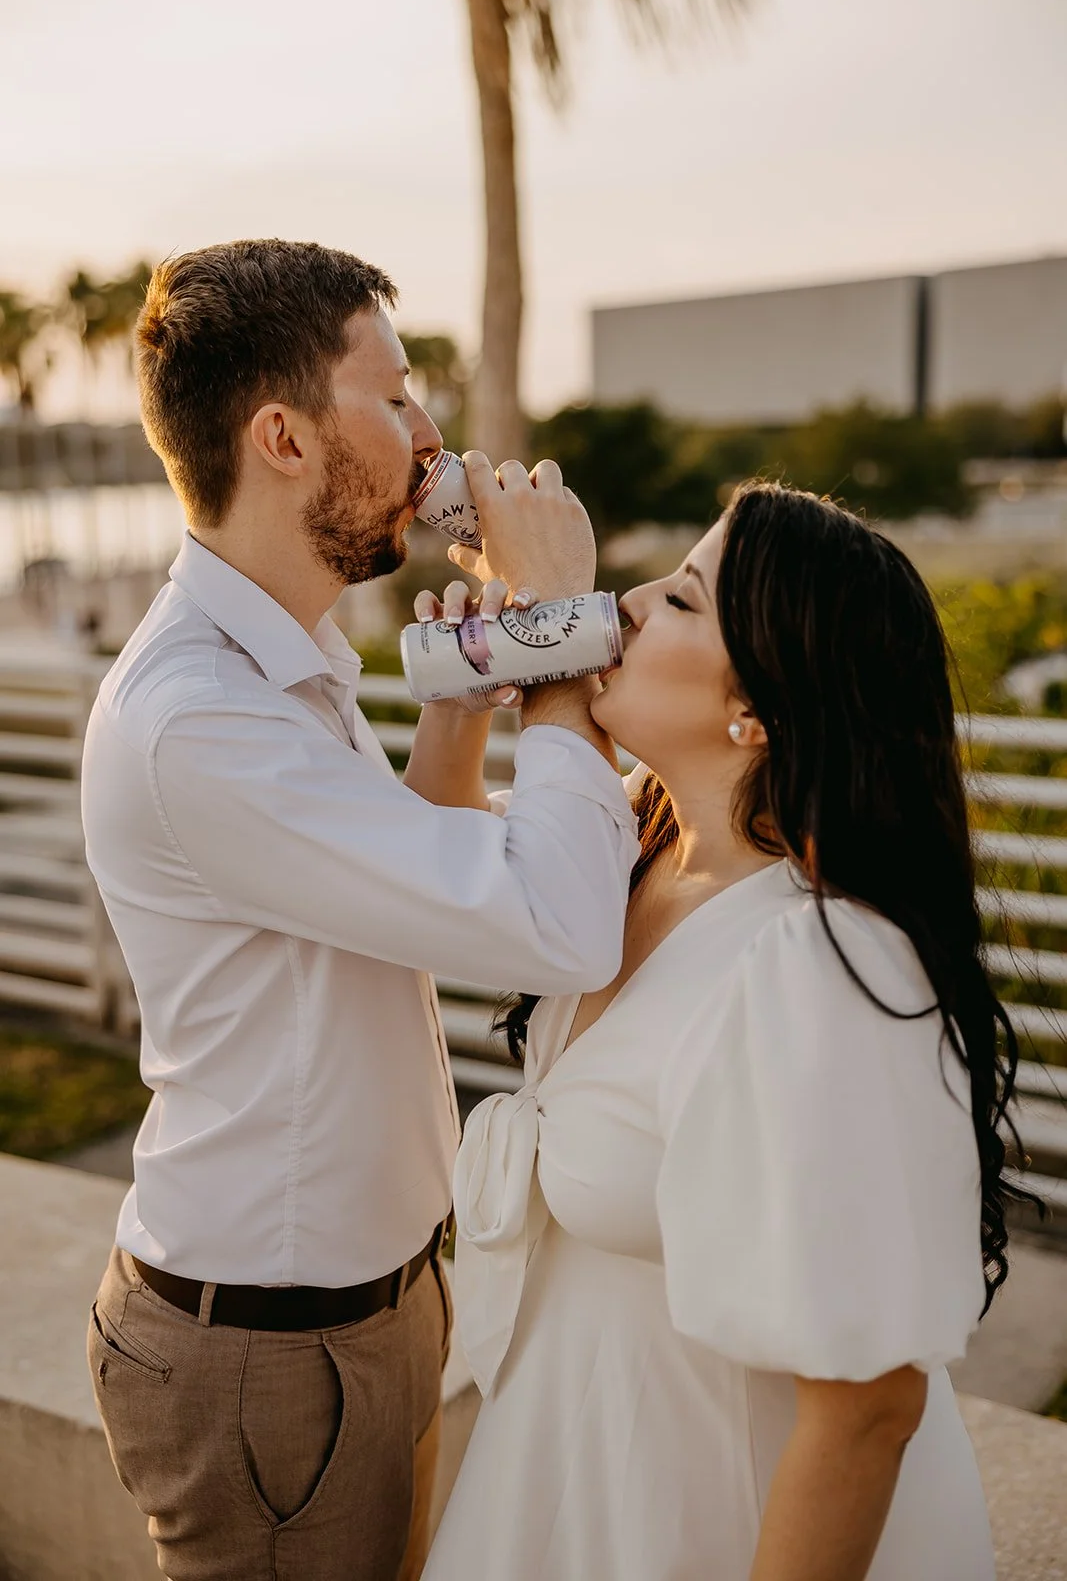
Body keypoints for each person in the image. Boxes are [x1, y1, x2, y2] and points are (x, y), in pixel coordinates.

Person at [80, 238, 638, 1581]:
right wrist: (558, 635)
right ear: (280, 435)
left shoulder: (287, 657)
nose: (431, 436)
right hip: (267, 1350)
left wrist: (454, 718)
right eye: (393, 397)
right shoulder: (197, 717)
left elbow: (398, 887)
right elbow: (556, 922)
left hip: (365, 1308)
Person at [422, 481, 1021, 1580]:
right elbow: (443, 875)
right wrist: (463, 688)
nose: (633, 603)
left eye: (684, 599)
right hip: (569, 1481)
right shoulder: (630, 853)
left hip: (711, 1518)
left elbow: (869, 1408)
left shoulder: (821, 962)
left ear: (762, 703)